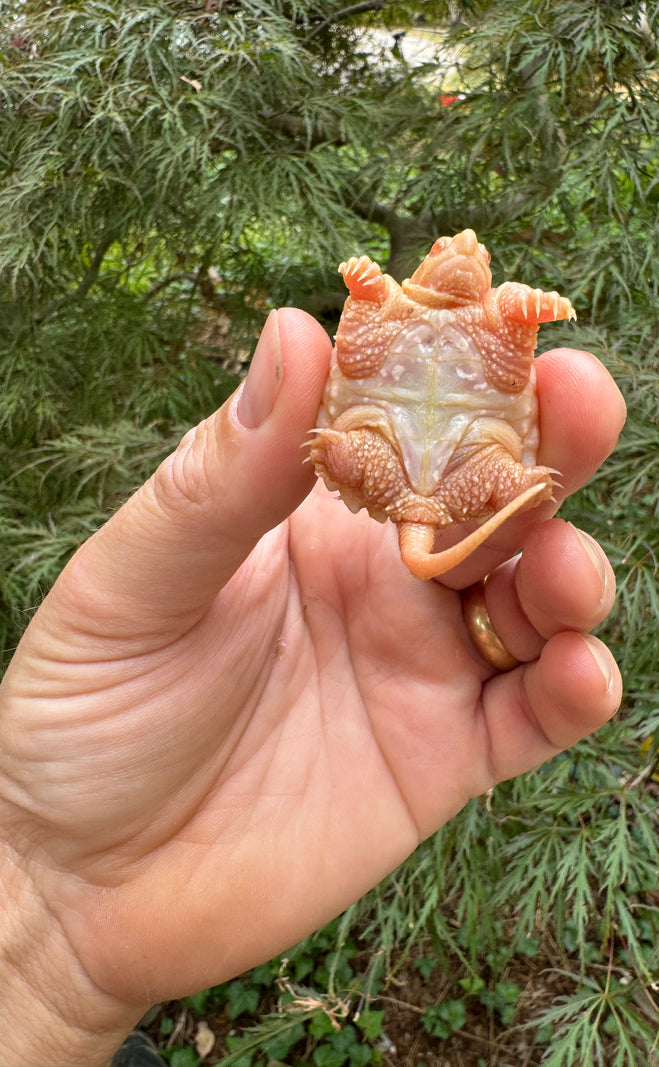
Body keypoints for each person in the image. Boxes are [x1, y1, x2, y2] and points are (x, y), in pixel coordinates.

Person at [0, 307, 626, 1066]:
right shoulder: (409, 304)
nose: (459, 256)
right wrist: (46, 948)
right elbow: (369, 346)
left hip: (447, 457)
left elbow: (463, 357)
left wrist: (49, 958)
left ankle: (503, 481)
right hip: (424, 454)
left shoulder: (481, 321)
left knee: (490, 479)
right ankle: (489, 480)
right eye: (447, 254)